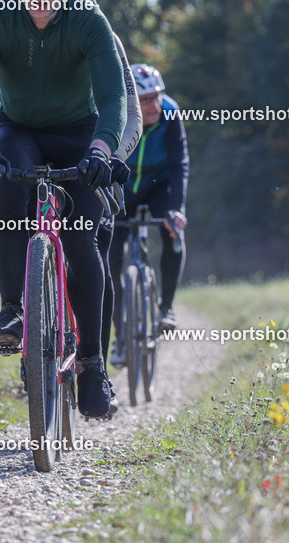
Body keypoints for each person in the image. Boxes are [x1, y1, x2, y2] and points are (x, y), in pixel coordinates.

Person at [0, 0, 127, 418]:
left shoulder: (89, 21)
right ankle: (13, 310)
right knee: (8, 179)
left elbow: (115, 99)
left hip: (79, 132)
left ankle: (92, 366)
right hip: (19, 129)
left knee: (80, 240)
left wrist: (101, 149)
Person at [0, 0, 142, 368]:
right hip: (28, 139)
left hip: (89, 146)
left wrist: (112, 156)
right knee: (11, 202)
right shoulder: (18, 39)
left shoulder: (106, 42)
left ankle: (92, 363)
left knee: (89, 247)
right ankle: (21, 313)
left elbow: (130, 112)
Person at [108, 64, 189, 367]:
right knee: (108, 257)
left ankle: (166, 307)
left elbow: (180, 163)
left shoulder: (170, 113)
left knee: (173, 230)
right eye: (144, 100)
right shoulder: (117, 115)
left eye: (156, 97)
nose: (153, 105)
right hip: (123, 187)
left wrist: (177, 209)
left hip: (159, 185)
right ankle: (118, 334)